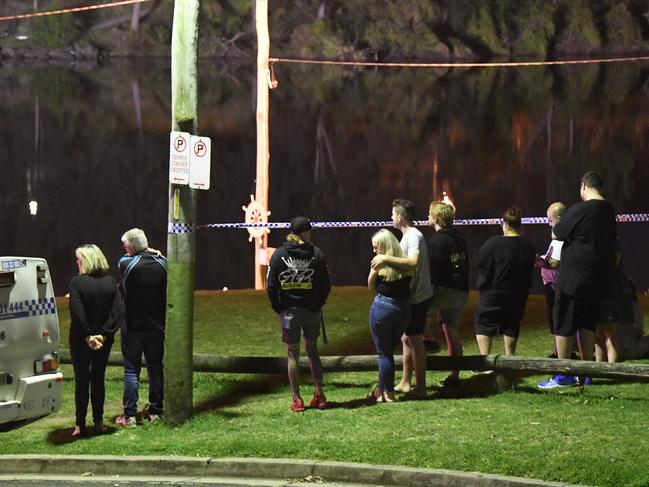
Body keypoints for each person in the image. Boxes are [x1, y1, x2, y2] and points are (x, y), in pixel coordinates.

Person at [538, 171, 617, 389]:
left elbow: (558, 233)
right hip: (597, 278)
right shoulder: (608, 210)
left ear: (584, 186)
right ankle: (586, 373)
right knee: (587, 325)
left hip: (574, 278)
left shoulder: (580, 210)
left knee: (564, 324)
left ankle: (563, 374)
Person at [266, 216, 331, 412]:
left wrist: (279, 307)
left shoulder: (278, 255)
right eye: (309, 231)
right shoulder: (316, 254)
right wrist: (318, 303)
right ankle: (319, 395)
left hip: (289, 313)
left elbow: (271, 286)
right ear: (304, 233)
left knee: (292, 354)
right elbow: (326, 284)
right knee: (313, 352)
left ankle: (297, 399)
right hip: (312, 312)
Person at [372, 199, 433, 399]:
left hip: (417, 296)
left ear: (400, 217)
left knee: (415, 340)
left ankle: (421, 387)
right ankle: (406, 382)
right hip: (411, 296)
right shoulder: (406, 236)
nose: (390, 217)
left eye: (392, 214)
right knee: (406, 339)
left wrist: (385, 259)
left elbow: (413, 263)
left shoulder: (413, 236)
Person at [68, 244, 123, 437]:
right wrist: (104, 334)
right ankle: (98, 422)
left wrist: (88, 335)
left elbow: (77, 311)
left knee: (81, 380)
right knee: (98, 379)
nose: (77, 262)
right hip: (103, 341)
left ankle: (80, 424)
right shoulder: (110, 283)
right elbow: (117, 312)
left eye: (79, 259)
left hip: (80, 340)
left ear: (88, 260)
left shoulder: (76, 283)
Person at [115, 228, 167, 426]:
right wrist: (151, 251)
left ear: (132, 246)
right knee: (155, 368)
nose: (124, 248)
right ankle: (156, 410)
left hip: (132, 327)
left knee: (131, 370)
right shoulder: (163, 263)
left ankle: (129, 414)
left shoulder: (127, 263)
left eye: (126, 245)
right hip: (156, 326)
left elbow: (123, 259)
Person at [474, 207, 536, 357]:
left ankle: (485, 361)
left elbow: (479, 261)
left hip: (493, 292)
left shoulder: (494, 242)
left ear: (506, 224)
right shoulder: (528, 246)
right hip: (517, 293)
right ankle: (510, 360)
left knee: (484, 323)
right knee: (511, 324)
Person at [367, 229, 412, 403]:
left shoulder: (379, 264)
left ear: (383, 246)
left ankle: (388, 392)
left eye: (375, 247)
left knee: (383, 353)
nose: (374, 251)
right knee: (389, 351)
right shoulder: (406, 263)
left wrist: (373, 270)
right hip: (403, 309)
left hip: (383, 307)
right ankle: (382, 390)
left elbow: (370, 285)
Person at [427, 201, 469, 388]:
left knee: (413, 309)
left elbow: (433, 269)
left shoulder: (437, 240)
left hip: (445, 290)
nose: (427, 216)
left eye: (429, 213)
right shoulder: (459, 237)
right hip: (461, 291)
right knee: (452, 332)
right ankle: (454, 376)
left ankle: (429, 342)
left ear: (436, 218)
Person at [535, 202, 566, 355]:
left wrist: (541, 262)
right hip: (551, 284)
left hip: (556, 285)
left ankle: (561, 353)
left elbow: (555, 262)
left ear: (559, 218)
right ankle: (559, 351)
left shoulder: (561, 238)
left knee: (558, 320)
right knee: (555, 320)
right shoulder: (557, 237)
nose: (548, 224)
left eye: (550, 220)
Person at [595, 250, 634, 363]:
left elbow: (613, 263)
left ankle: (612, 368)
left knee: (611, 331)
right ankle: (598, 367)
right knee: (597, 332)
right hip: (595, 288)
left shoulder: (611, 240)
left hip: (611, 288)